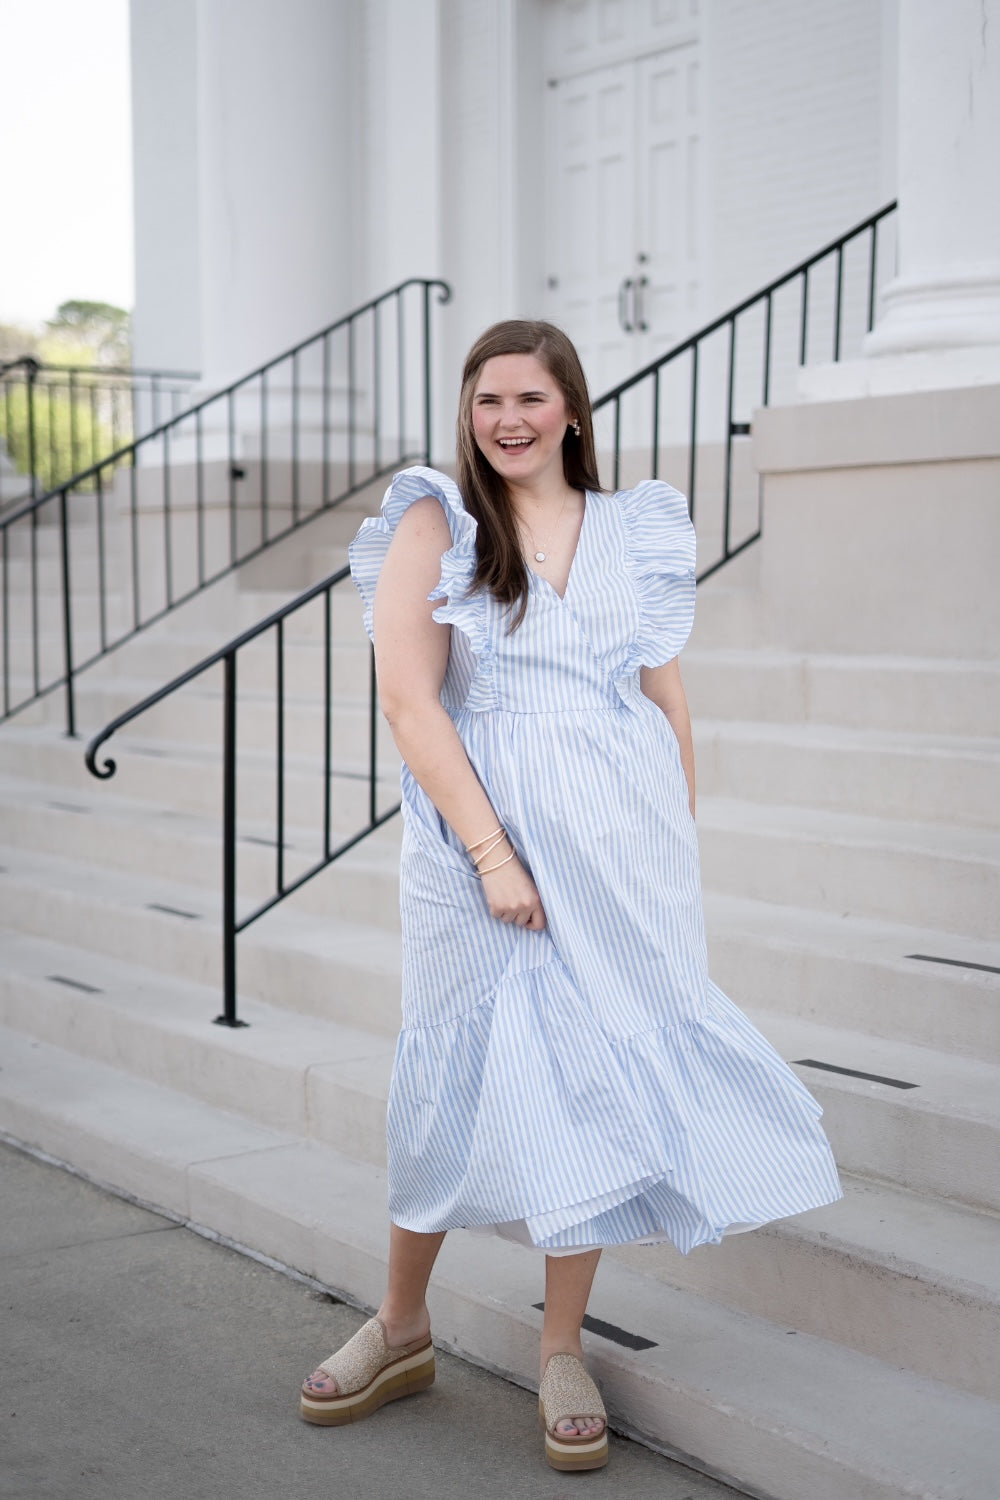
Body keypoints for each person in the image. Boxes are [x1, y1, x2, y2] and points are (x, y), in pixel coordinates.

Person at [299, 320, 842, 1471]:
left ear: (572, 410)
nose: (506, 419)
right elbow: (411, 704)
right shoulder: (434, 520)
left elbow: (664, 693)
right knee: (450, 1067)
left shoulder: (635, 528)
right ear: (467, 410)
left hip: (620, 848)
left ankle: (559, 1347)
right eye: (487, 398)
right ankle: (400, 1325)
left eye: (529, 400)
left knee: (594, 1079)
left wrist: (667, 840)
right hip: (476, 850)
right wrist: (496, 856)